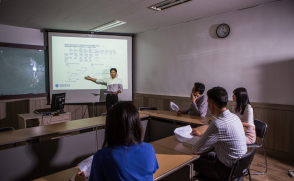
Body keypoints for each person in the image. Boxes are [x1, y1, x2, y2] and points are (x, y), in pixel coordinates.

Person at [75, 102, 159, 181]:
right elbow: (151, 176)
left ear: (111, 127)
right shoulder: (149, 149)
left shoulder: (102, 156)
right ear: (136, 124)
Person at [191, 87, 247, 181]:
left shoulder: (218, 123)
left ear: (212, 104)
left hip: (225, 172)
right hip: (238, 168)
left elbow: (196, 150)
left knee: (190, 161)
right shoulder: (235, 117)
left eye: (208, 102)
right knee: (206, 155)